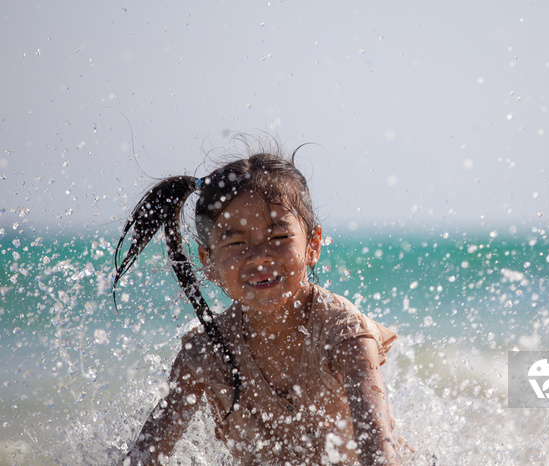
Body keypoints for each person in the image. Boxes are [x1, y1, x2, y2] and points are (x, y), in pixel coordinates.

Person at [114, 148, 404, 465]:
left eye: (278, 236)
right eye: (236, 243)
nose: (259, 256)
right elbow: (142, 458)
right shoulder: (204, 355)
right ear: (208, 261)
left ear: (313, 246)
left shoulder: (344, 334)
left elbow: (380, 453)